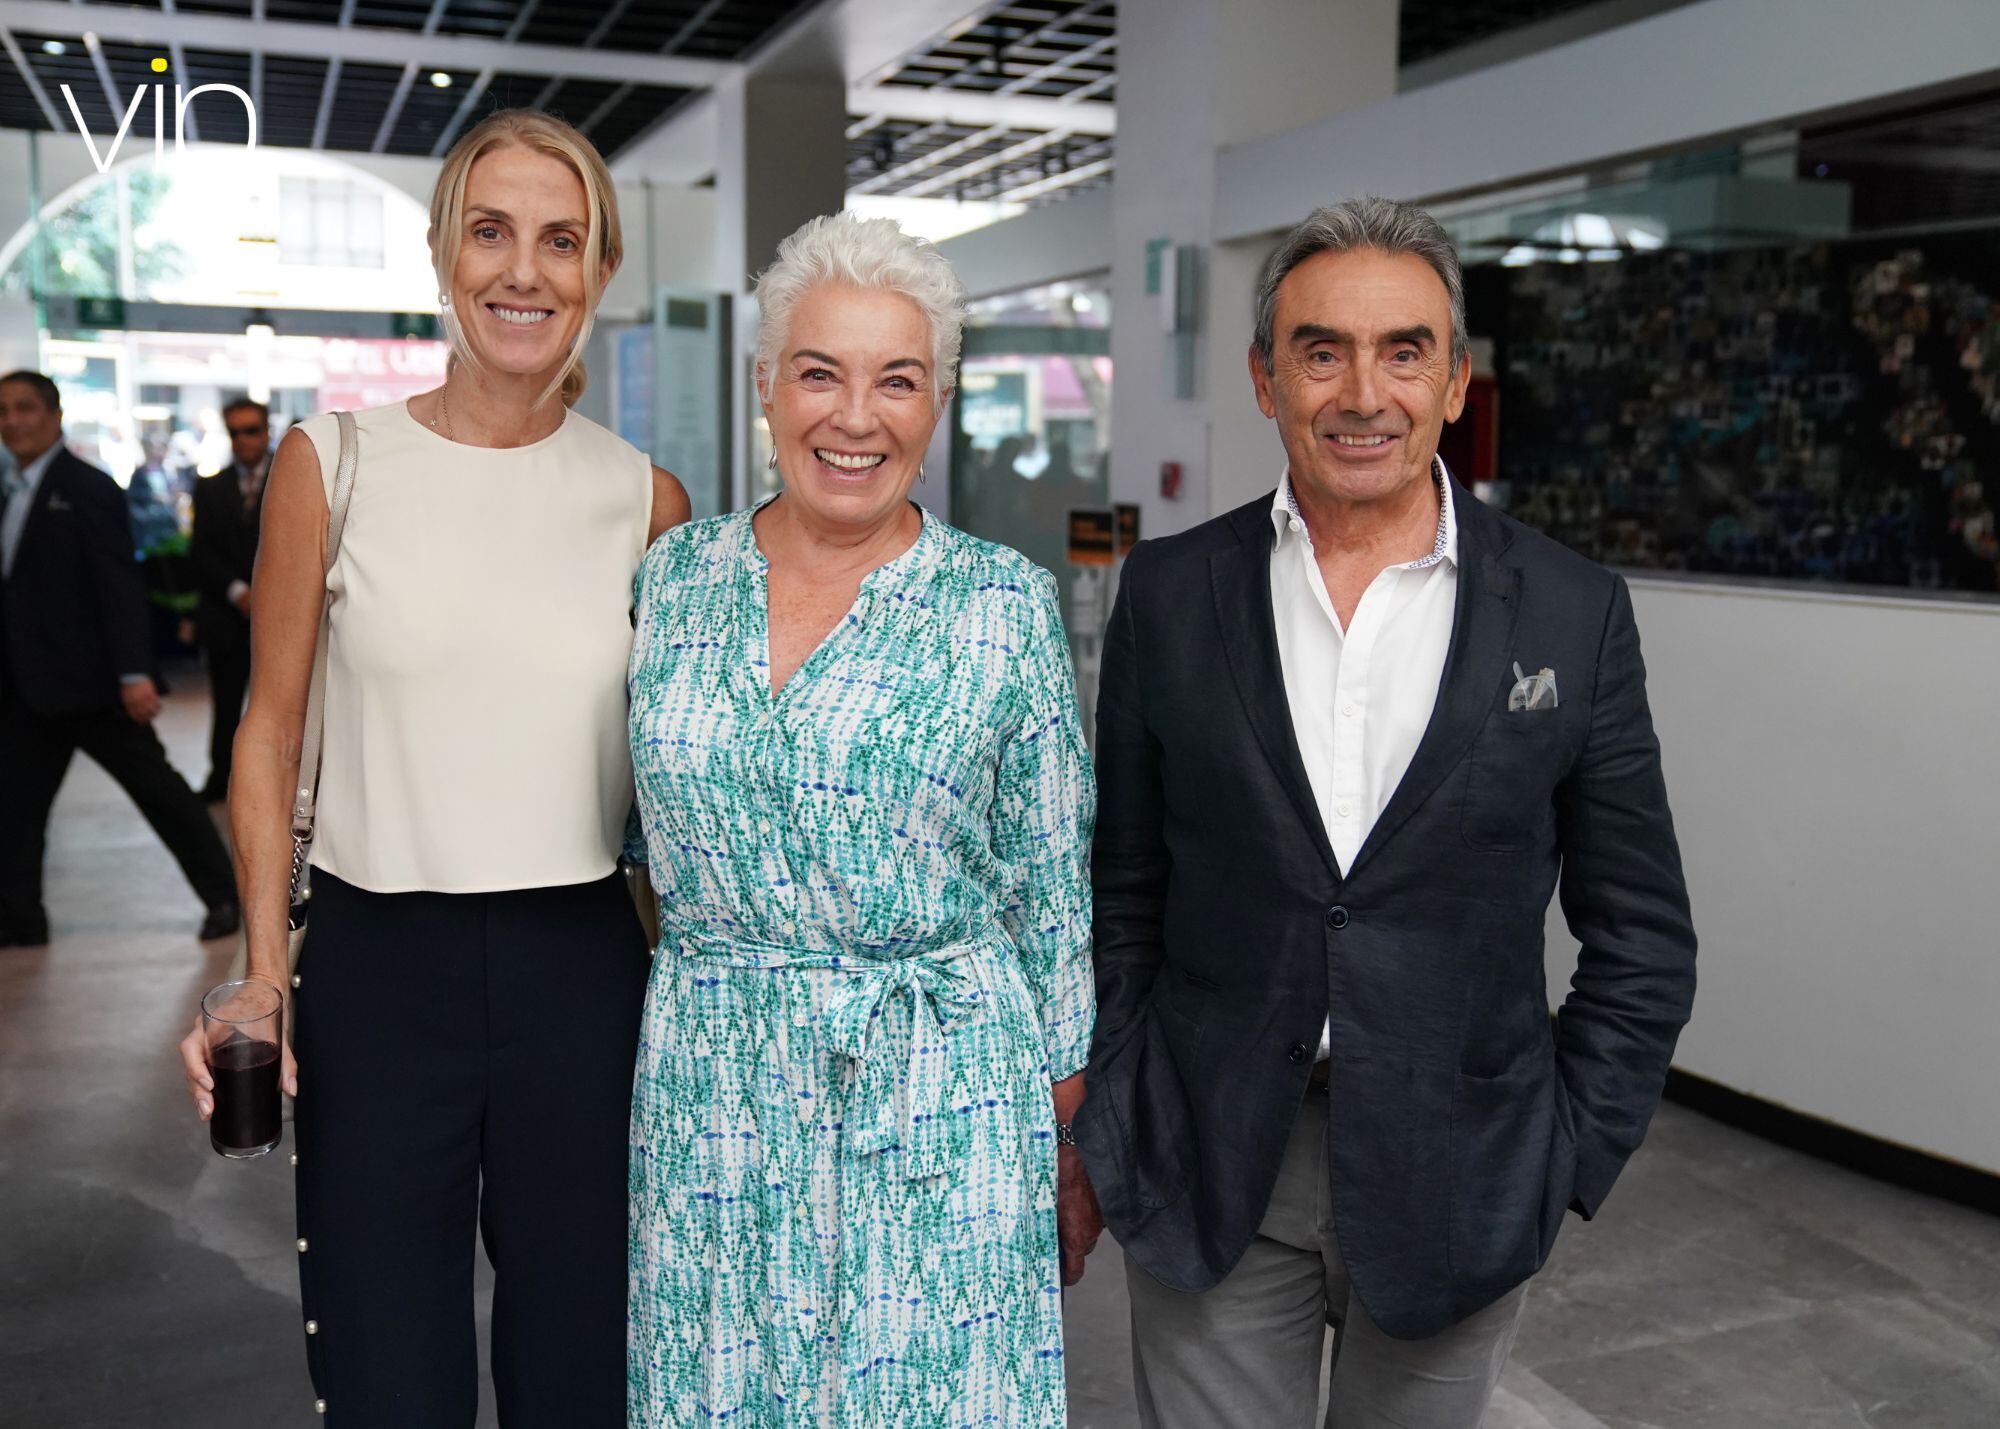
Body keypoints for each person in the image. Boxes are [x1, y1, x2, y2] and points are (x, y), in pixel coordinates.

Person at [1074, 197, 1699, 1428]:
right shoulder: (1168, 593)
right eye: (1321, 350)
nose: (1363, 393)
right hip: (1212, 1163)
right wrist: (1121, 1106)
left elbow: (1641, 933)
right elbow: (1122, 885)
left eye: (1403, 350)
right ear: (1266, 378)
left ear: (1455, 380)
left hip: (1461, 1167)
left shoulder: (1571, 613)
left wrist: (1558, 1157)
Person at [175, 109, 689, 1425]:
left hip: (582, 976)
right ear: (442, 255)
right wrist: (262, 973)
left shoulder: (648, 504)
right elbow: (268, 730)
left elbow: (691, 783)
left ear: (600, 271)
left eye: (562, 241)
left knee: (583, 1372)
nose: (525, 272)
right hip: (376, 973)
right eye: (493, 233)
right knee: (384, 1368)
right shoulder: (333, 463)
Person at [625, 212, 1099, 1426]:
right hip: (714, 1090)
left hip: (939, 1087)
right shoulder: (671, 579)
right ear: (766, 389)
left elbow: (1053, 893)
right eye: (819, 372)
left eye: (898, 380)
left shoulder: (1001, 605)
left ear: (935, 406)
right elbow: (626, 839)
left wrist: (1063, 1147)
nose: (855, 415)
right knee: (718, 1393)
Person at [0, 370, 239, 948]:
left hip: (96, 686)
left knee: (161, 795)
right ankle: (20, 921)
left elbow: (119, 586)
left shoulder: (86, 487)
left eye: (25, 409)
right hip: (28, 690)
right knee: (14, 812)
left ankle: (226, 896)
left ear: (54, 416)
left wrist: (134, 673)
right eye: (3, 411)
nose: (13, 421)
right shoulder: (10, 488)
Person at [189, 397, 273, 802]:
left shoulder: (295, 475)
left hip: (281, 616)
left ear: (267, 430)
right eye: (235, 432)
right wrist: (239, 591)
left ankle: (281, 783)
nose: (243, 440)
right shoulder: (211, 486)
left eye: (251, 430)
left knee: (282, 704)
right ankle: (221, 776)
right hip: (227, 615)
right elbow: (201, 551)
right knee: (225, 705)